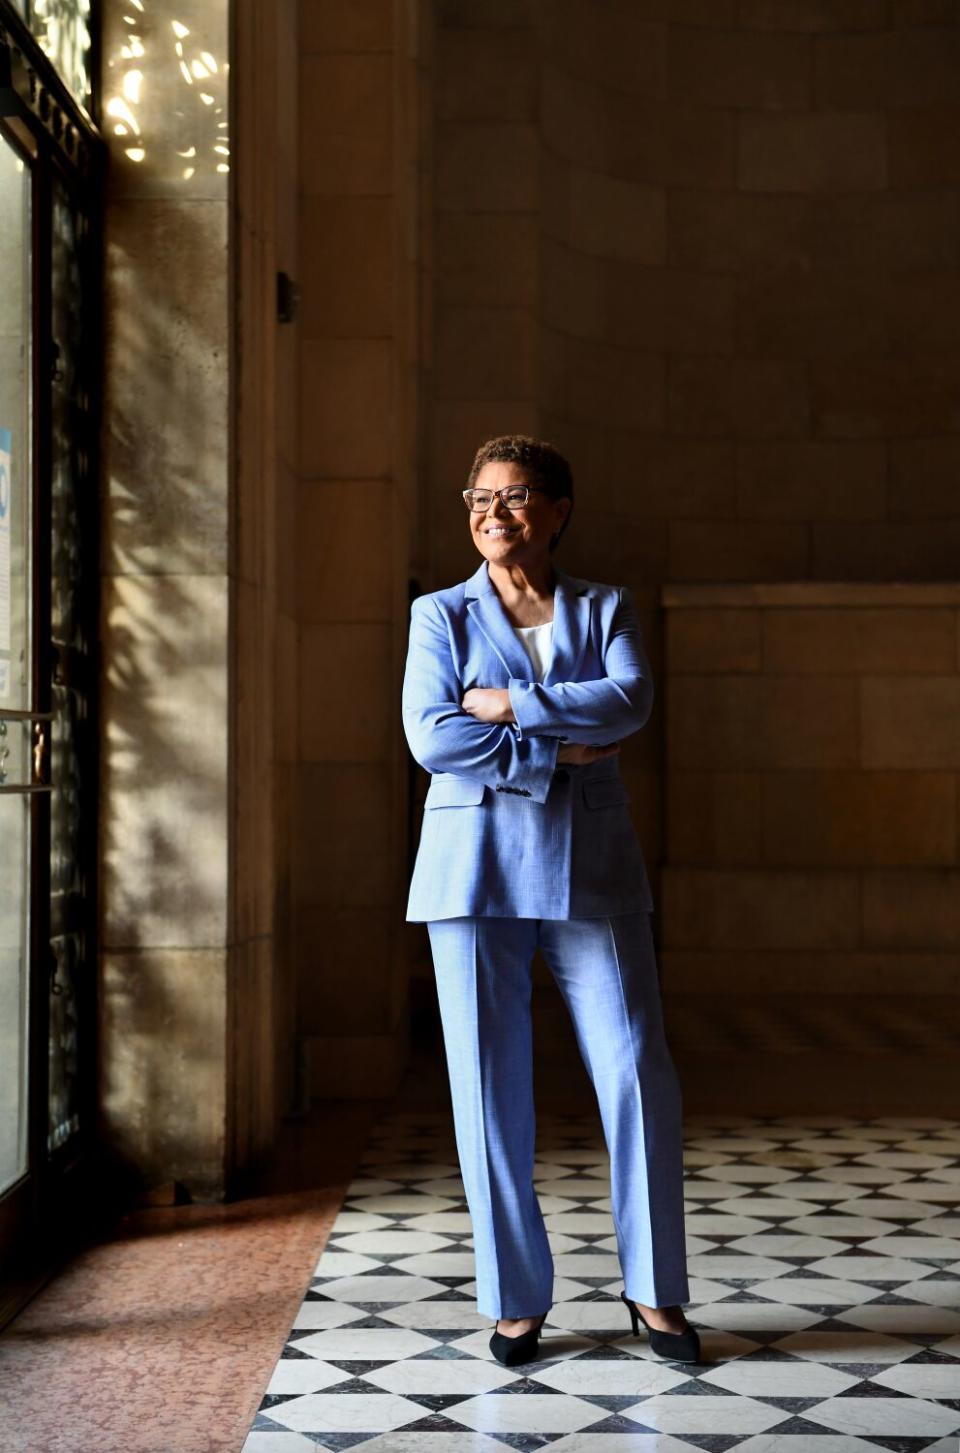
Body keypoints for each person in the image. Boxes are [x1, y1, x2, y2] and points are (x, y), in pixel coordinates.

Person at [401, 434, 700, 1368]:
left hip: (592, 863)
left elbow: (630, 700)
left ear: (559, 511)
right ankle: (514, 1299)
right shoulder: (438, 615)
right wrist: (556, 750)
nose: (493, 513)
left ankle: (655, 1291)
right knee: (489, 1088)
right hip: (472, 866)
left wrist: (514, 706)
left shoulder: (606, 605)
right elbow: (433, 734)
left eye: (516, 496)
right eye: (479, 497)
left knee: (638, 1072)